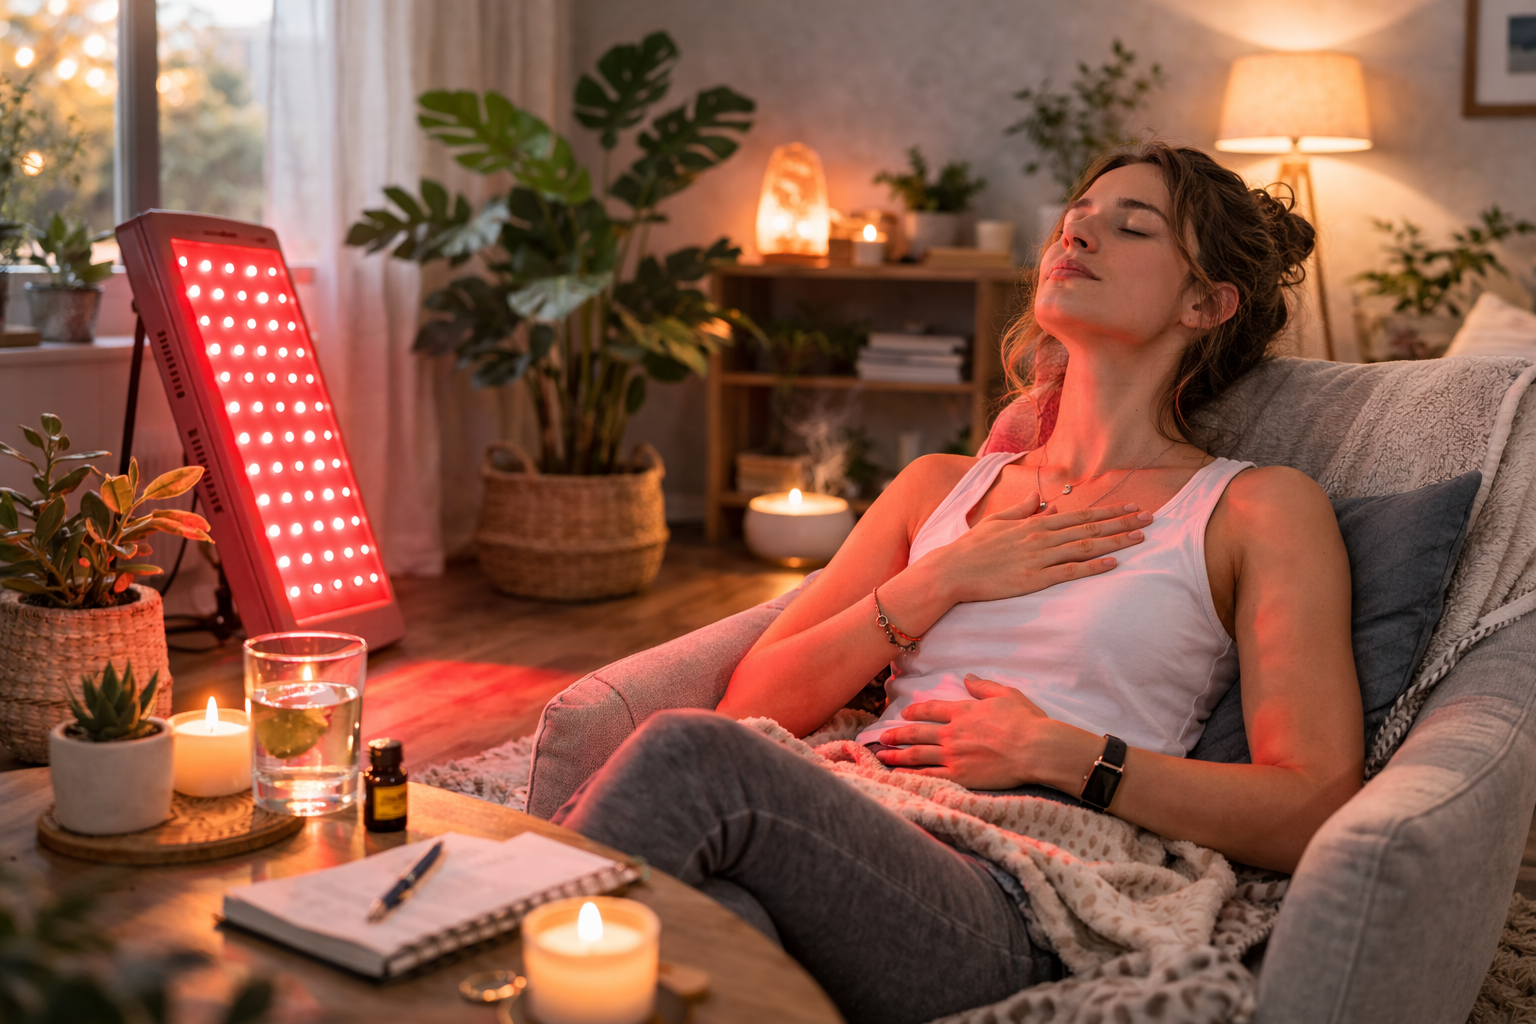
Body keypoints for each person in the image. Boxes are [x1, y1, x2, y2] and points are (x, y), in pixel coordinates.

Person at [552, 144, 1363, 1024]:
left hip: (1022, 883)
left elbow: (1310, 804)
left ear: (1204, 303)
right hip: (856, 811)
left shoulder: (1253, 508)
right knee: (710, 931)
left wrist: (1059, 753)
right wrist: (940, 579)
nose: (1078, 234)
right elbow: (754, 701)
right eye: (1075, 220)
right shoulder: (940, 487)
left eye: (1132, 228)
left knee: (686, 760)